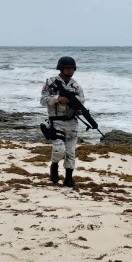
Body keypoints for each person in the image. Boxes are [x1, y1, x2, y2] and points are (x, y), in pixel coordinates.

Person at [40, 56, 84, 187]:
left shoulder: (76, 86)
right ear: (61, 68)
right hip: (56, 122)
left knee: (71, 152)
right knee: (59, 150)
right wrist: (57, 98)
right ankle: (54, 166)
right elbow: (42, 100)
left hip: (71, 122)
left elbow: (81, 102)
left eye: (72, 68)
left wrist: (79, 110)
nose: (70, 70)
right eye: (68, 68)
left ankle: (68, 179)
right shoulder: (51, 82)